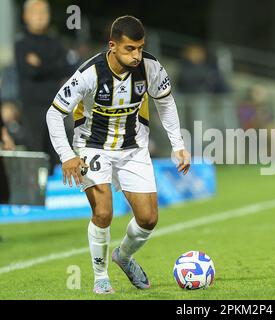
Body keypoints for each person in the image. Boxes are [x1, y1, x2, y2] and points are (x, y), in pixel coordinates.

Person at [46, 15, 191, 294]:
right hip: (93, 146)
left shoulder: (150, 67)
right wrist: (66, 155)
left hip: (133, 147)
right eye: (129, 49)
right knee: (103, 212)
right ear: (113, 46)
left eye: (140, 47)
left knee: (148, 219)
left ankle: (123, 256)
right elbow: (54, 113)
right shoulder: (89, 73)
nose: (137, 55)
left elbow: (166, 103)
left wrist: (178, 144)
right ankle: (101, 276)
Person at [15, 0, 71, 167]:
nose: (40, 16)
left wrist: (41, 65)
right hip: (32, 108)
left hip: (56, 106)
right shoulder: (21, 43)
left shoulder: (56, 42)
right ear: (25, 16)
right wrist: (51, 65)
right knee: (36, 152)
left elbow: (65, 68)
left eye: (43, 12)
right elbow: (30, 71)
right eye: (35, 12)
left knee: (58, 152)